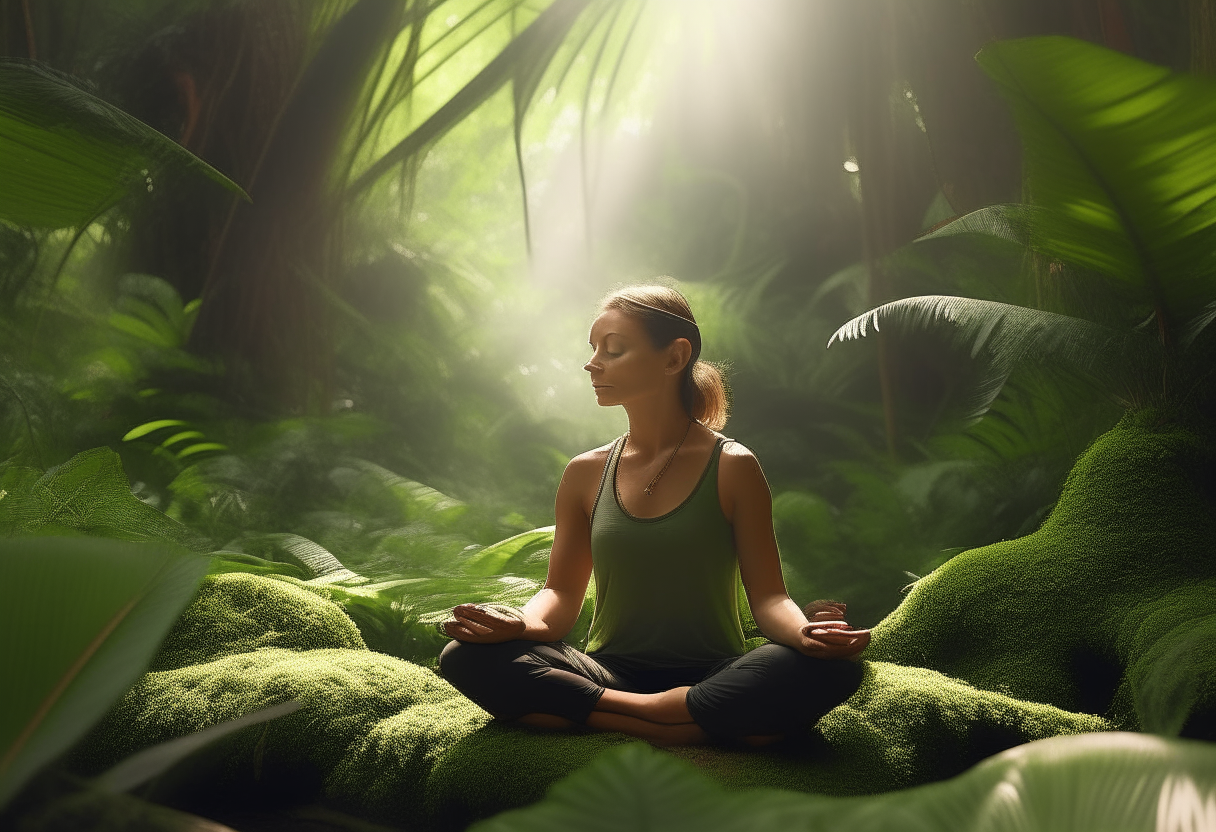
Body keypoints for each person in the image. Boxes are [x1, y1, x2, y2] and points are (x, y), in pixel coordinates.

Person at [438, 285, 869, 746]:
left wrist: (806, 634)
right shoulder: (584, 473)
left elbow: (768, 599)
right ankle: (674, 717)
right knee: (463, 656)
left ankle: (594, 714)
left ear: (674, 357)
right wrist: (520, 623)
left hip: (713, 673)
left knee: (831, 669)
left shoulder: (733, 466)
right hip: (606, 673)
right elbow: (560, 592)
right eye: (593, 349)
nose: (592, 363)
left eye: (614, 349)